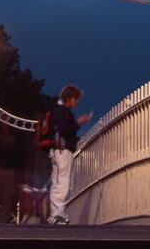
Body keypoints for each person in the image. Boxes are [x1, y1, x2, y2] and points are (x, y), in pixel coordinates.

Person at [47, 84, 92, 225]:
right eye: (76, 99)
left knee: (60, 181)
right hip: (62, 150)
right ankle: (57, 216)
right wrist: (78, 123)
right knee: (62, 183)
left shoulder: (58, 111)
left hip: (59, 150)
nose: (77, 102)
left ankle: (58, 214)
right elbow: (64, 129)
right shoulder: (61, 111)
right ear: (70, 98)